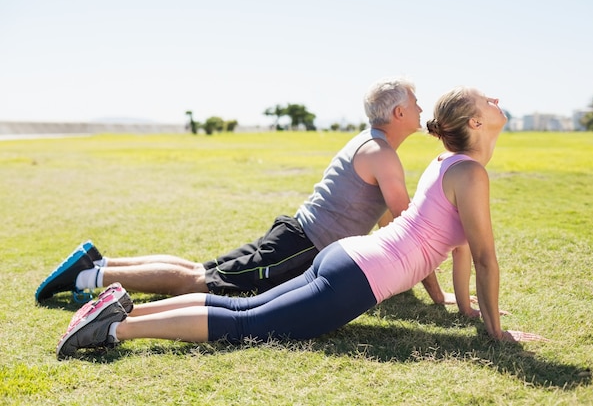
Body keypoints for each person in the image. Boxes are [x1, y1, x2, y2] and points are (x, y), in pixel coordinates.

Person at [56, 86, 547, 358]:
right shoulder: (470, 173)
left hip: (347, 257)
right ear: (477, 125)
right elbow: (483, 257)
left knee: (238, 306)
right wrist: (497, 333)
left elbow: (461, 251)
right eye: (489, 99)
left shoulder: (445, 165)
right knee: (245, 324)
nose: (497, 98)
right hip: (358, 274)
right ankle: (114, 331)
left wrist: (467, 312)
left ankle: (122, 312)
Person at [36, 76, 452, 305]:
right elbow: (408, 233)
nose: (420, 109)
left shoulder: (373, 146)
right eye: (415, 104)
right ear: (398, 112)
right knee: (201, 283)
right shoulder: (381, 154)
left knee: (199, 271)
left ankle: (100, 261)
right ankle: (90, 274)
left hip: (295, 238)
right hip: (299, 247)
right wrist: (438, 298)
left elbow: (382, 218)